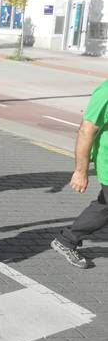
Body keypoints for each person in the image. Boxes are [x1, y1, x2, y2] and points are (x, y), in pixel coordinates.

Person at [51, 79, 108, 268]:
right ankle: (67, 240)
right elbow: (86, 130)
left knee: (104, 207)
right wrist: (80, 171)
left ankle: (67, 240)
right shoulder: (106, 92)